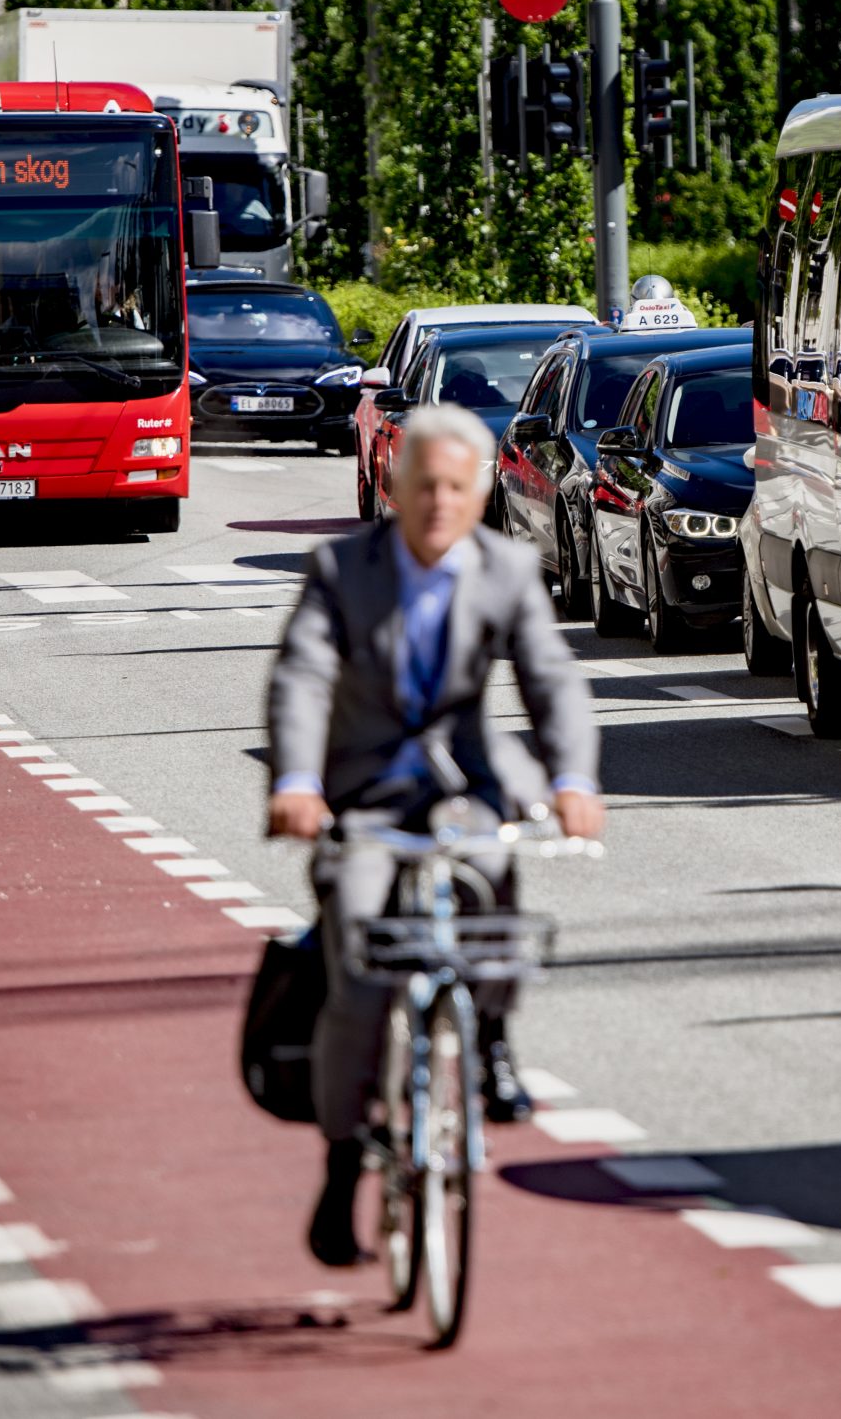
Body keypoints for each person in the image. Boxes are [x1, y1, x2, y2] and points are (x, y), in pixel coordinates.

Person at [266, 402, 606, 1268]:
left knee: (494, 872)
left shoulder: (507, 568)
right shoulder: (344, 569)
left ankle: (490, 1040)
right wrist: (299, 782)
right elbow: (303, 675)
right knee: (356, 941)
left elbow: (552, 680)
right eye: (424, 486)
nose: (438, 504)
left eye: (457, 487)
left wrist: (571, 778)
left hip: (468, 787)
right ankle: (344, 1160)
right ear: (394, 482)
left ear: (481, 489)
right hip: (368, 798)